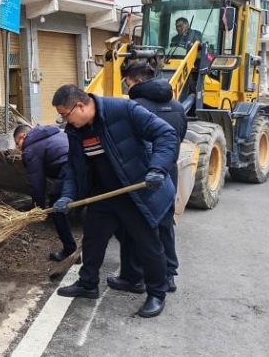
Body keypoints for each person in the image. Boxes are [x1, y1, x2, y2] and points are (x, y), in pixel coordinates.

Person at [51, 84, 177, 318]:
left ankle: (157, 292)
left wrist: (158, 167)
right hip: (104, 193)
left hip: (135, 191)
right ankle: (88, 284)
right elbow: (73, 166)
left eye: (64, 115)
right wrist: (68, 194)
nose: (64, 121)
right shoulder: (76, 131)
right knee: (93, 240)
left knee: (147, 244)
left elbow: (166, 133)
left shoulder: (124, 110)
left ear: (80, 106)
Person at [106, 62, 188, 295]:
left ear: (137, 81)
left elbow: (128, 145)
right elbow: (177, 137)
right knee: (164, 224)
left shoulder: (133, 107)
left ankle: (134, 277)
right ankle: (169, 275)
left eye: (128, 81)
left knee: (135, 226)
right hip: (167, 172)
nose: (126, 85)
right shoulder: (177, 105)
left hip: (141, 176)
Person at [13, 124, 78, 262]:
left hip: (69, 167)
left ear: (23, 136)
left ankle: (70, 250)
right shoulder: (51, 132)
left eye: (17, 143)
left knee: (56, 206)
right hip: (82, 162)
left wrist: (39, 208)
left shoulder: (29, 149)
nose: (18, 148)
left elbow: (37, 182)